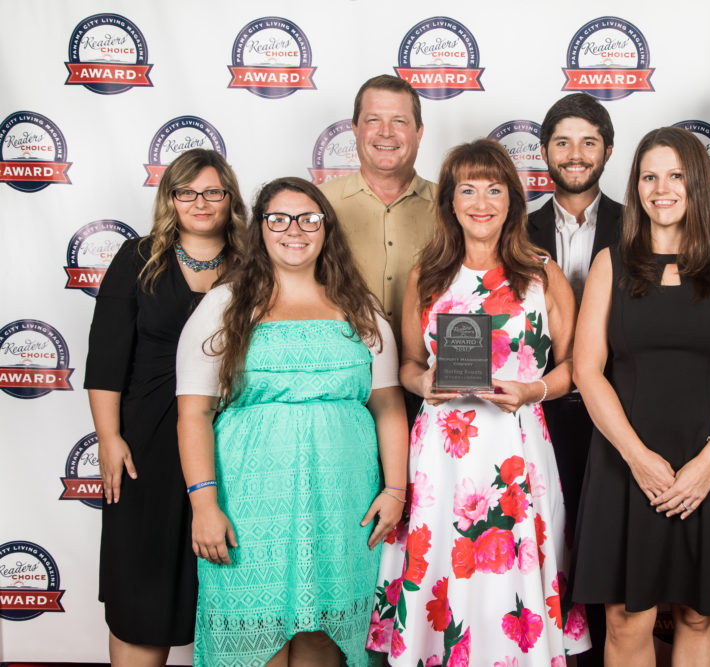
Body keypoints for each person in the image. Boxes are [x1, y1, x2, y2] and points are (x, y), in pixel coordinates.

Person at [366, 139, 590, 665]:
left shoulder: (541, 272)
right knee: (446, 567)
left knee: (512, 577)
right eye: (467, 190)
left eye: (494, 189)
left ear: (512, 199)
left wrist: (534, 390)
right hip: (442, 456)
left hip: (517, 449)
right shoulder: (428, 273)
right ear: (450, 200)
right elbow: (408, 366)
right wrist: (424, 384)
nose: (481, 202)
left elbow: (576, 367)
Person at [175, 177, 409, 666]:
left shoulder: (360, 308)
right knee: (257, 641)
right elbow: (193, 412)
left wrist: (395, 490)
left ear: (326, 229)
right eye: (278, 219)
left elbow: (388, 405)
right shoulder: (224, 305)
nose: (294, 230)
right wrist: (204, 504)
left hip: (343, 505)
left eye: (308, 219)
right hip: (247, 506)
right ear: (260, 229)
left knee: (324, 635)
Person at [572, 127, 710, 667]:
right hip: (625, 460)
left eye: (676, 176)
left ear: (699, 185)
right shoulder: (610, 264)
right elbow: (587, 371)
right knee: (626, 616)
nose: (661, 189)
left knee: (699, 614)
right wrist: (637, 457)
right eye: (649, 177)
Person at [84, 148, 247, 666]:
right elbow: (106, 359)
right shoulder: (137, 258)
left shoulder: (254, 264)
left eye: (213, 192)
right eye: (187, 192)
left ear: (230, 198)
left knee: (228, 581)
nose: (201, 202)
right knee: (141, 583)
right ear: (169, 199)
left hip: (231, 442)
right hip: (146, 446)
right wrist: (109, 437)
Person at [527, 92, 621, 666]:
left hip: (620, 415)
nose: (575, 153)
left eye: (589, 141)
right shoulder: (513, 229)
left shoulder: (639, 225)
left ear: (607, 149)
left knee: (609, 557)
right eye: (562, 142)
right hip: (538, 414)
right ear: (544, 151)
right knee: (546, 550)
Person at [318, 74, 436, 345]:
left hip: (430, 366)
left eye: (399, 121)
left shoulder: (453, 207)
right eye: (373, 120)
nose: (386, 132)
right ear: (355, 129)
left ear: (419, 132)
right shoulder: (318, 205)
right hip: (343, 363)